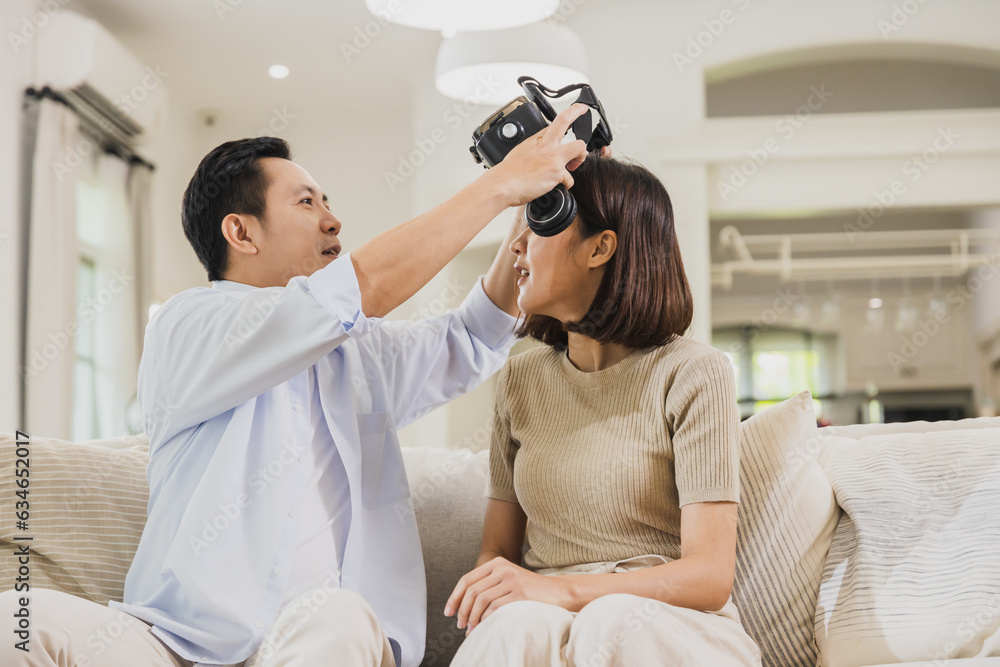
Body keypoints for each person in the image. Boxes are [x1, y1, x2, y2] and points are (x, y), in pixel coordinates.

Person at [0, 103, 593, 667]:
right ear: (241, 232)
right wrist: (500, 184)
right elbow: (360, 288)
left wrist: (534, 196)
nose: (332, 220)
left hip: (320, 641)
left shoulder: (358, 351)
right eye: (306, 202)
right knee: (22, 616)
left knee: (335, 614)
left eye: (327, 203)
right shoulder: (190, 324)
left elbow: (472, 334)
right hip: (179, 644)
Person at [445, 155, 764, 666]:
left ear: (600, 248)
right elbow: (497, 553)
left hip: (670, 622)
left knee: (611, 622)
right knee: (512, 629)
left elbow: (709, 576)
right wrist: (503, 588)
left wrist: (562, 591)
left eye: (540, 223)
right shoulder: (520, 381)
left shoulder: (693, 372)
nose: (517, 245)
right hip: (547, 615)